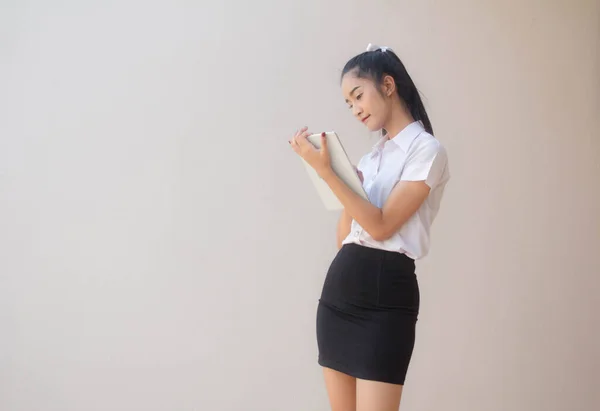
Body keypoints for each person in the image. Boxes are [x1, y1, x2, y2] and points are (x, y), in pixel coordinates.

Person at [289, 43, 450, 411]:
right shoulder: (371, 158)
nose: (355, 109)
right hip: (340, 292)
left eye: (358, 95)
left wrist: (328, 172)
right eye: (348, 103)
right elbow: (344, 238)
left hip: (386, 298)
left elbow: (380, 227)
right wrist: (347, 182)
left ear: (388, 85)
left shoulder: (427, 151)